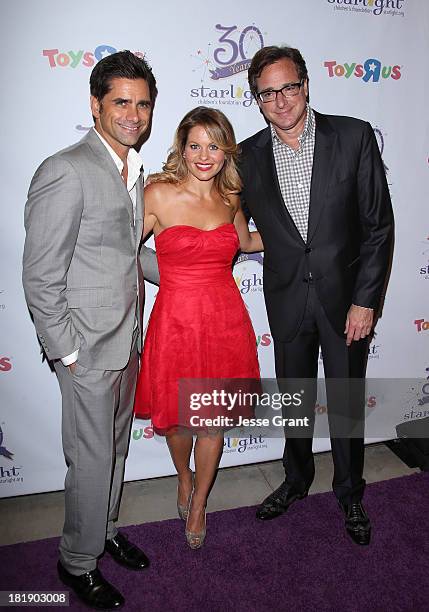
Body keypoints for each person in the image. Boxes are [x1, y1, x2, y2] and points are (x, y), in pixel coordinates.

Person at [240, 46, 394, 545]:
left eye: (288, 87)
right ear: (257, 101)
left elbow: (378, 228)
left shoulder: (352, 136)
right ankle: (297, 478)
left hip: (345, 301)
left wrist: (366, 299)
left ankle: (350, 494)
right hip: (286, 300)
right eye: (268, 92)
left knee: (346, 402)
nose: (280, 100)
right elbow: (214, 208)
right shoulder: (246, 156)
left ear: (306, 85)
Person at [22, 51, 159, 609]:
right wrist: (67, 351)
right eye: (121, 102)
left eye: (143, 103)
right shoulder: (67, 168)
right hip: (87, 348)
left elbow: (126, 255)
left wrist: (195, 265)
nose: (133, 114)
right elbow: (40, 273)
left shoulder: (132, 169)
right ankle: (76, 561)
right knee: (91, 457)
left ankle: (102, 531)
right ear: (96, 105)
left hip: (126, 339)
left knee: (117, 449)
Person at [134, 106, 262, 549]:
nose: (204, 156)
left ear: (226, 152)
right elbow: (119, 249)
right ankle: (184, 478)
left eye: (214, 146)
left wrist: (306, 232)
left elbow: (245, 243)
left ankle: (201, 500)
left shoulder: (230, 199)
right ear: (182, 149)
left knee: (213, 422)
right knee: (177, 422)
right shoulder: (156, 194)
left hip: (225, 322)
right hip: (175, 322)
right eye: (195, 146)